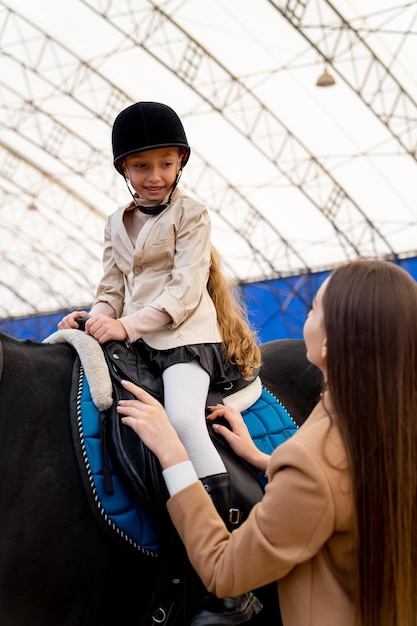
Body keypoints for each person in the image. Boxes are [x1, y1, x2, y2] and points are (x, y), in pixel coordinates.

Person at [116, 258, 417, 626]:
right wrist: (265, 460)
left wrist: (173, 451)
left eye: (313, 309)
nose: (307, 316)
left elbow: (223, 570)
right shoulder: (390, 425)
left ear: (328, 346)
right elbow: (348, 484)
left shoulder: (312, 462)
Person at [58, 101, 263, 626]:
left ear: (180, 164)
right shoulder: (115, 222)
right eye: (142, 166)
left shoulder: (192, 215)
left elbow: (184, 290)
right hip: (136, 340)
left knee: (184, 420)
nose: (155, 177)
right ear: (124, 170)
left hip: (185, 339)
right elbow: (110, 288)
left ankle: (233, 569)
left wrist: (127, 325)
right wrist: (93, 318)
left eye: (166, 164)